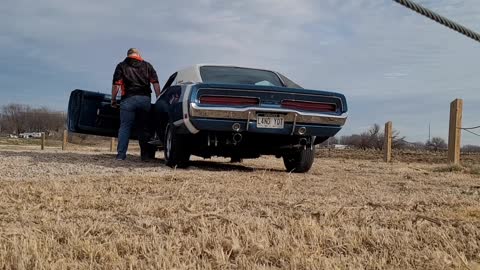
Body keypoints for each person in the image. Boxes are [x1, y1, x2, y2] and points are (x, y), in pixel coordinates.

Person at [111, 48, 161, 161]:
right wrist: (159, 98)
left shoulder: (121, 66)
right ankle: (145, 156)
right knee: (143, 128)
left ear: (128, 55)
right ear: (138, 54)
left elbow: (116, 85)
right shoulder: (147, 65)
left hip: (128, 99)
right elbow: (155, 83)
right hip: (144, 99)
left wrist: (113, 99)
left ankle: (121, 155)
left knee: (125, 127)